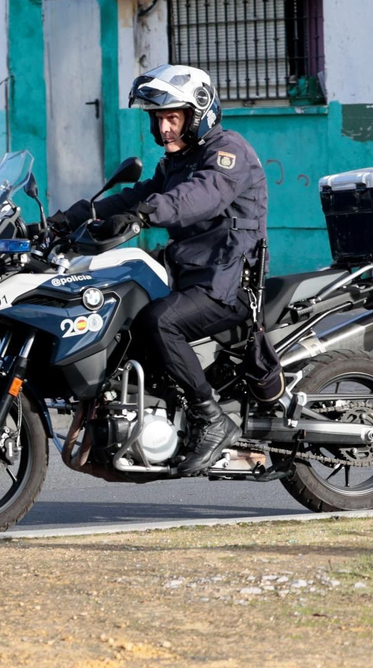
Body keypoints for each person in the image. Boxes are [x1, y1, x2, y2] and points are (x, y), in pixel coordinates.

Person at [50, 64, 268, 475]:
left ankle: (211, 419)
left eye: (173, 118)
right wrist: (69, 218)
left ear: (198, 112)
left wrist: (145, 215)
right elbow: (136, 194)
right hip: (190, 276)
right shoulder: (176, 163)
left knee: (158, 322)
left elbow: (200, 197)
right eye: (159, 119)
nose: (165, 128)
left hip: (228, 282)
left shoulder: (228, 152)